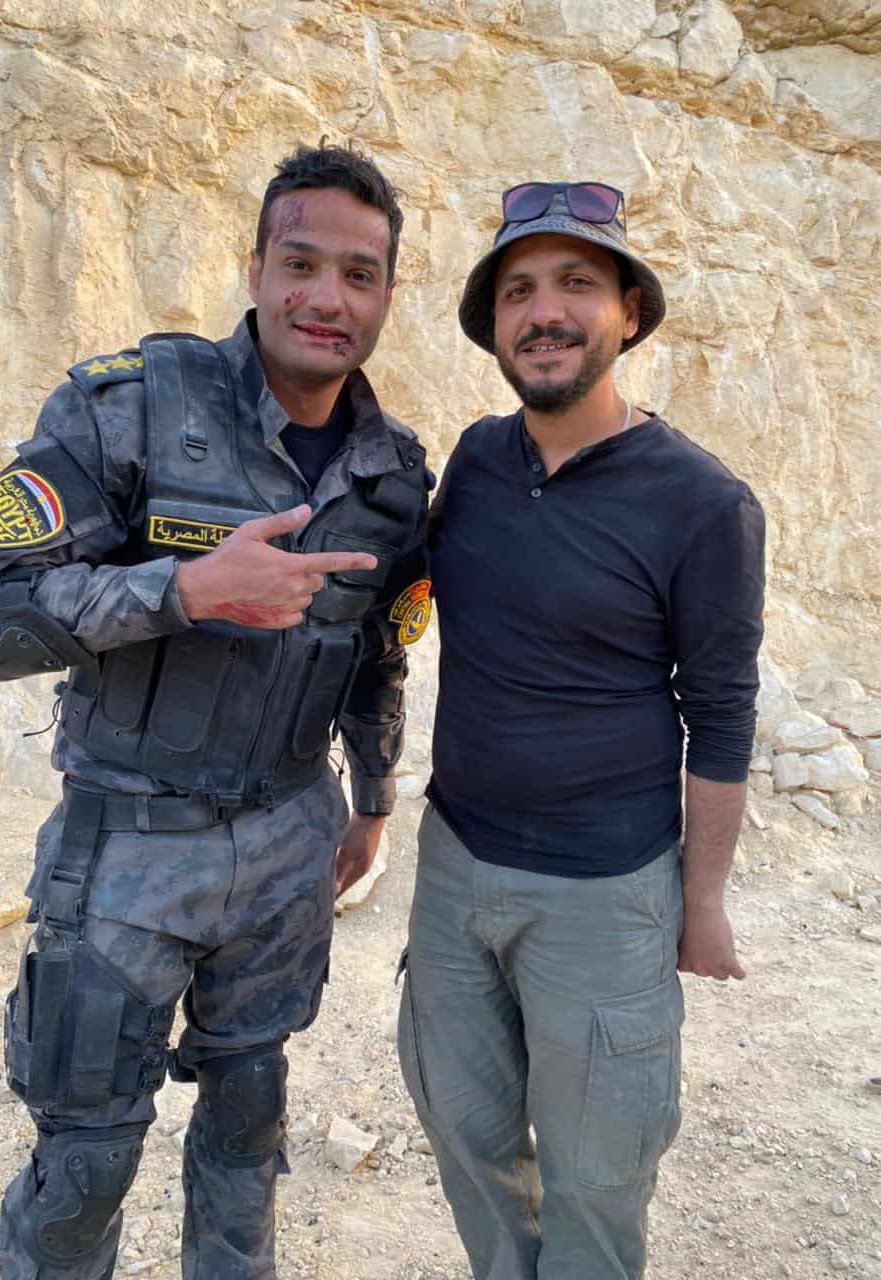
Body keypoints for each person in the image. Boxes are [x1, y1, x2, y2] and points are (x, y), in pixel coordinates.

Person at [0, 142, 433, 1280]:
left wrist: (372, 797)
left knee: (248, 1129)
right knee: (87, 1160)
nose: (327, 296)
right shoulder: (131, 408)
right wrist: (182, 590)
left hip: (290, 844)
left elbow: (378, 654)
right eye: (300, 263)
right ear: (255, 269)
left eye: (358, 274)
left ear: (386, 296)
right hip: (128, 850)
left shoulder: (394, 474)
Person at [397, 180, 765, 1280]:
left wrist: (702, 901)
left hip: (605, 897)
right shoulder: (475, 459)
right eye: (517, 291)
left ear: (628, 313)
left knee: (599, 1175)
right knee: (463, 1131)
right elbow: (397, 600)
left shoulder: (703, 502)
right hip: (453, 867)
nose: (543, 312)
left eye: (575, 284)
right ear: (493, 324)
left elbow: (722, 712)